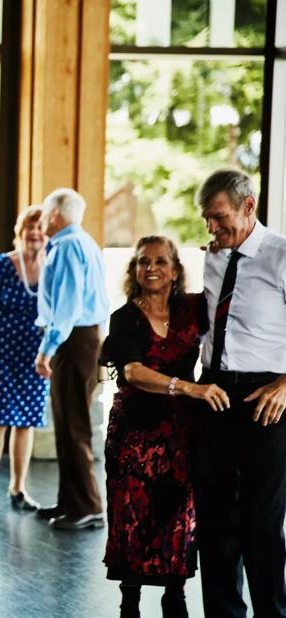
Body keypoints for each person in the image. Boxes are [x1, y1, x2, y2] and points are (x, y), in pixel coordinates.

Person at [99, 236, 227, 618]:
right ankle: (131, 598)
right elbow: (133, 372)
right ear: (134, 270)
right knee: (130, 513)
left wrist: (220, 255)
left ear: (175, 269)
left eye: (159, 261)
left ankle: (176, 594)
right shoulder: (126, 317)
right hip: (134, 435)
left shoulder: (191, 308)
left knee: (179, 515)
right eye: (142, 262)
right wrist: (188, 387)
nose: (150, 267)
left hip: (181, 432)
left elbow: (227, 300)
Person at [194, 169, 286, 617]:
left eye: (219, 216)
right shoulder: (213, 256)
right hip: (213, 393)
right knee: (214, 523)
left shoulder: (281, 256)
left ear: (248, 206)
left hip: (264, 396)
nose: (211, 227)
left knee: (262, 523)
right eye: (207, 219)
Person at [33, 188, 109, 530]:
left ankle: (87, 507)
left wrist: (46, 349)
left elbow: (67, 307)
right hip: (82, 338)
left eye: (46, 212)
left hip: (73, 340)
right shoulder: (84, 242)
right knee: (66, 423)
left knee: (74, 424)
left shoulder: (66, 247)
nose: (43, 219)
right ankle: (70, 502)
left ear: (56, 215)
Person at [0, 205, 49, 512]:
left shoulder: (52, 267)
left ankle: (18, 489)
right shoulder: (1, 265)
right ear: (20, 232)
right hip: (3, 354)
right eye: (29, 228)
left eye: (40, 228)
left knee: (27, 423)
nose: (34, 233)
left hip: (35, 358)